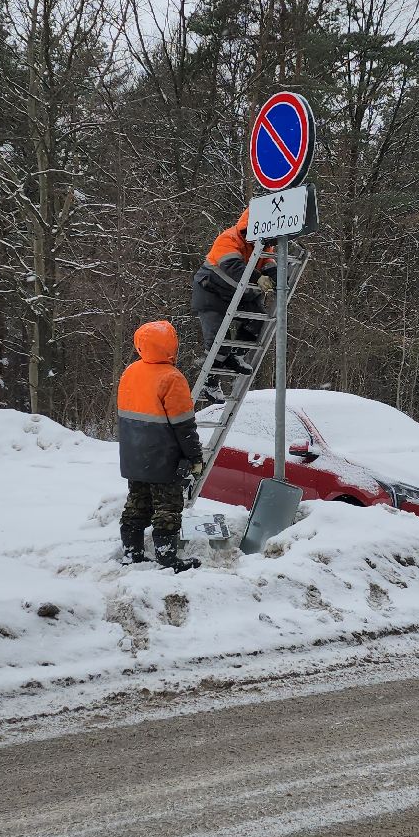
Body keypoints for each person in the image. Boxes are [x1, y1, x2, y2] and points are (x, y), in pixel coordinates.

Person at [116, 320, 204, 571]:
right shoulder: (172, 378)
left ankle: (131, 553)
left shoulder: (130, 371)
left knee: (137, 502)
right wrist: (195, 457)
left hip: (133, 454)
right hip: (162, 456)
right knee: (167, 507)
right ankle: (167, 559)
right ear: (170, 346)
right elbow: (184, 425)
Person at [191, 208, 276, 403]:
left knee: (257, 321)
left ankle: (236, 356)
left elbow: (268, 264)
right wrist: (258, 277)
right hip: (211, 292)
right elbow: (232, 267)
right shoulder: (228, 239)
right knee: (219, 340)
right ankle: (210, 383)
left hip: (238, 296)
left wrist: (277, 277)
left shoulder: (263, 246)